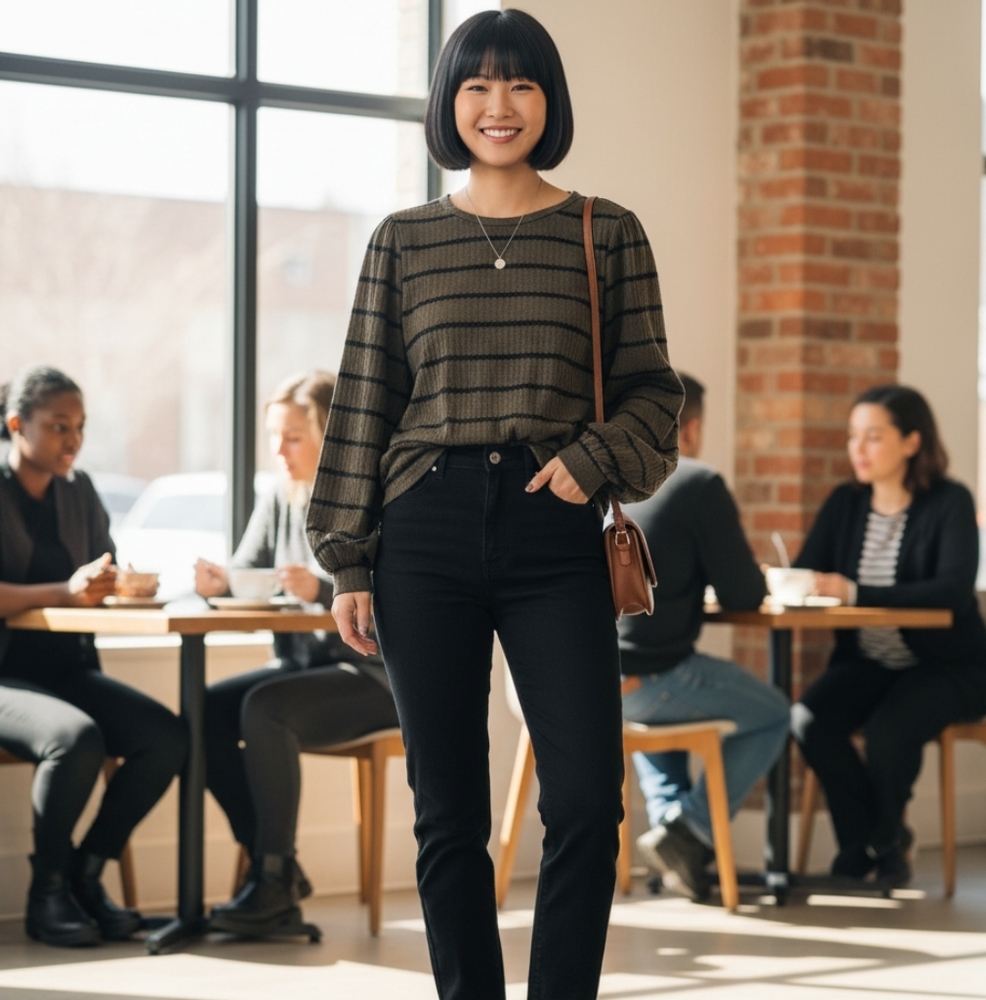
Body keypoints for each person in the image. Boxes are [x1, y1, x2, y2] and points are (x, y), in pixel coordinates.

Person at [306, 10, 683, 999]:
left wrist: (591, 459)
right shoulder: (403, 239)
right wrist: (348, 560)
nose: (498, 105)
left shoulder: (605, 230)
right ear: (450, 102)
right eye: (476, 85)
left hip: (552, 522)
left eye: (520, 83)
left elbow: (656, 392)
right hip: (421, 529)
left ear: (549, 101)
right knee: (447, 812)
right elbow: (364, 403)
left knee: (587, 801)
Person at [196, 371, 398, 937]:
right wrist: (221, 582)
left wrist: (324, 586)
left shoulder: (371, 498)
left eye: (292, 437)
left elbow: (398, 598)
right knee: (205, 710)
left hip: (373, 677)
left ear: (329, 436)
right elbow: (247, 571)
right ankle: (278, 870)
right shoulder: (280, 497)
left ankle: (272, 878)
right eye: (273, 437)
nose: (279, 451)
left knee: (265, 708)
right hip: (304, 666)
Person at [0, 365, 188, 948]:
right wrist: (66, 591)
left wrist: (119, 585)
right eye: (59, 426)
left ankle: (85, 872)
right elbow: (65, 589)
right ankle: (47, 893)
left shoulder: (78, 490)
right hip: (7, 676)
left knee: (166, 737)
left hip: (70, 669)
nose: (73, 440)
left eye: (79, 427)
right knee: (75, 738)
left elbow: (101, 569)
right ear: (16, 425)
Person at [792, 384, 986, 886]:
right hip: (871, 664)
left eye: (873, 437)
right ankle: (874, 840)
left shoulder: (950, 501)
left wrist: (856, 592)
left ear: (911, 441)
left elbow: (951, 591)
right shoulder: (845, 503)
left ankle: (876, 846)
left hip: (951, 668)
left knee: (889, 731)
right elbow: (806, 570)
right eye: (852, 436)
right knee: (809, 720)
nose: (857, 449)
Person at [618, 373, 789, 900]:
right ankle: (688, 829)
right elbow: (744, 594)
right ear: (689, 429)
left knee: (665, 694)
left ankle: (677, 845)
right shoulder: (696, 480)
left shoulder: (605, 477)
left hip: (582, 679)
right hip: (645, 680)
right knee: (774, 713)